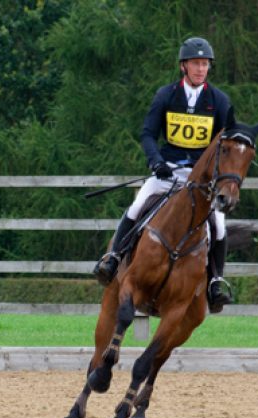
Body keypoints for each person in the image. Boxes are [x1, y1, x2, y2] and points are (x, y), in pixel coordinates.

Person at [93, 36, 236, 313]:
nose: (200, 69)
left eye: (205, 64)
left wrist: (216, 175)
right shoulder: (166, 95)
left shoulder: (219, 101)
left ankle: (216, 281)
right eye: (195, 64)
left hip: (202, 180)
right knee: (136, 206)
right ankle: (112, 258)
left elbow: (224, 143)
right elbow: (148, 133)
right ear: (184, 66)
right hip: (167, 170)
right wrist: (155, 161)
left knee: (219, 224)